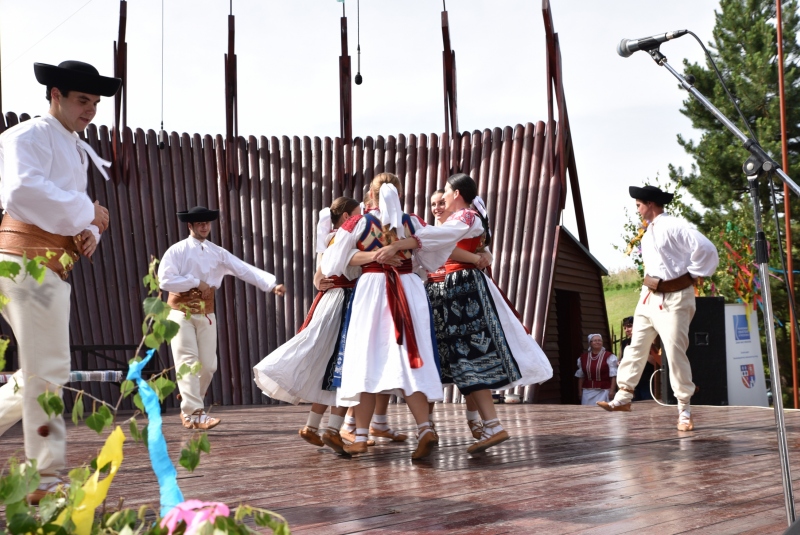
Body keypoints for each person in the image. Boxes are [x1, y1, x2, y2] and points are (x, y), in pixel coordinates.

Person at [0, 60, 120, 504]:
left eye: (94, 102)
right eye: (81, 100)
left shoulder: (71, 146)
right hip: (25, 261)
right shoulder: (28, 135)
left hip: (50, 265)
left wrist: (89, 231)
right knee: (47, 371)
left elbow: (67, 211)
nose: (90, 109)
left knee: (41, 373)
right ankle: (43, 478)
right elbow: (21, 192)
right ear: (55, 95)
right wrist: (89, 211)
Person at [321, 173, 469, 460]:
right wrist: (404, 246)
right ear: (399, 193)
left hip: (371, 291)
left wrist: (371, 256)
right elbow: (439, 245)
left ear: (371, 196)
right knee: (409, 356)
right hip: (408, 289)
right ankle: (425, 429)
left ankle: (361, 435)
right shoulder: (411, 221)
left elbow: (331, 262)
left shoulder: (358, 222)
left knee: (366, 358)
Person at [430, 173, 553, 454]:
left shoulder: (464, 217)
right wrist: (481, 256)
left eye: (447, 192)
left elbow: (443, 244)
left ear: (457, 193)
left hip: (462, 286)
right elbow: (481, 249)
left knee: (467, 355)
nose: (444, 198)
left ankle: (491, 425)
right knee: (467, 356)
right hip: (463, 285)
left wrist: (407, 238)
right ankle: (485, 424)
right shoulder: (473, 216)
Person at [598, 185, 718, 432]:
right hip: (649, 296)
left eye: (639, 205)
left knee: (674, 353)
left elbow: (705, 249)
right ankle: (624, 395)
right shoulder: (649, 229)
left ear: (650, 204)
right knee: (636, 346)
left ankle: (684, 409)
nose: (638, 210)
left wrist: (692, 274)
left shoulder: (673, 225)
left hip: (674, 298)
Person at [254, 197, 367, 454]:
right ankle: (332, 429)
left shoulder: (326, 240)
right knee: (344, 366)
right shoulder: (350, 238)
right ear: (349, 215)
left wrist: (323, 282)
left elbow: (318, 278)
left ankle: (311, 426)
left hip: (327, 302)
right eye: (359, 214)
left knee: (325, 364)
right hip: (347, 303)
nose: (363, 218)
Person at [159, 206, 286, 430]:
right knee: (187, 362)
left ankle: (190, 400)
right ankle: (195, 413)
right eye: (200, 224)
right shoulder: (176, 251)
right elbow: (165, 281)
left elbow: (243, 269)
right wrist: (194, 282)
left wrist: (271, 284)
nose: (205, 227)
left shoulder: (217, 253)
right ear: (190, 226)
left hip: (206, 312)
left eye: (207, 223)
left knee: (208, 366)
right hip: (179, 312)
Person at [425, 188, 488, 439]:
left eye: (442, 202)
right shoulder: (428, 231)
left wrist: (482, 256)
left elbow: (482, 250)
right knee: (432, 360)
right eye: (433, 204)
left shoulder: (461, 225)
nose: (437, 207)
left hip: (458, 291)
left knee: (468, 356)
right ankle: (427, 424)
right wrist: (476, 258)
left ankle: (474, 421)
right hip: (433, 293)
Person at [576, 334, 618, 405]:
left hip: (604, 391)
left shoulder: (609, 357)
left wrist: (612, 391)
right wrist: (580, 392)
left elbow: (613, 376)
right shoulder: (583, 358)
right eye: (595, 341)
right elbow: (581, 377)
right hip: (587, 391)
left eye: (599, 340)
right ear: (590, 343)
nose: (597, 342)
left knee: (603, 413)